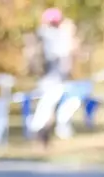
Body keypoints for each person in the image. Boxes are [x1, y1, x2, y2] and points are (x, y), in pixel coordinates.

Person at [28, 8, 79, 148]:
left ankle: (43, 133)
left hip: (49, 76)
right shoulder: (52, 35)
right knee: (49, 103)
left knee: (51, 103)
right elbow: (65, 52)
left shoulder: (42, 33)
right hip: (52, 76)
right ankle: (40, 131)